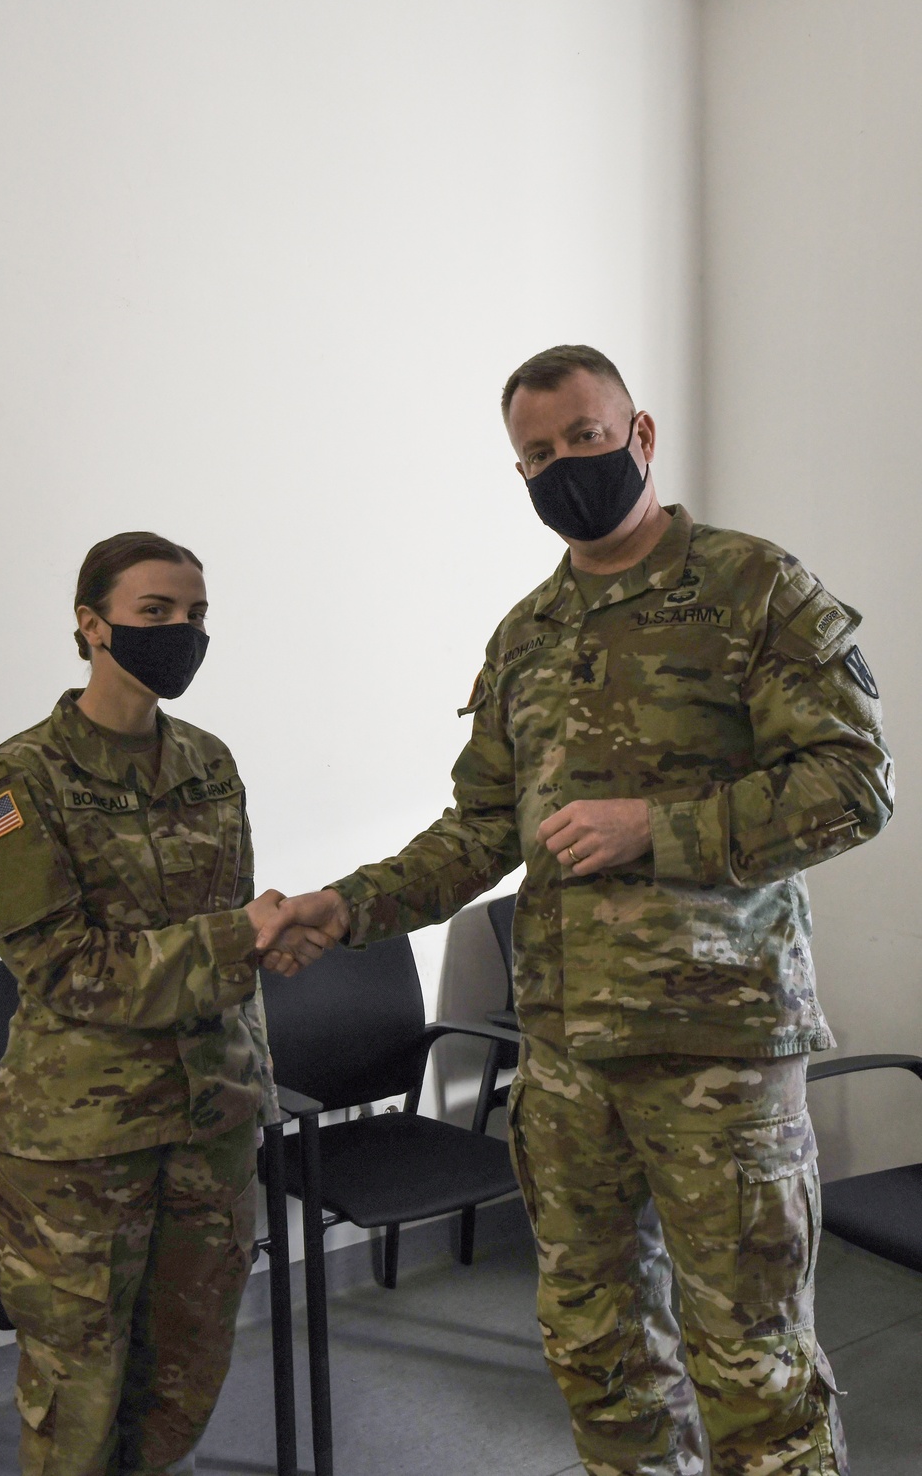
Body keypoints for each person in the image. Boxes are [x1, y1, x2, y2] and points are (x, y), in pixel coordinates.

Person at [255, 346, 894, 1475]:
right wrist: (341, 907)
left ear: (639, 435)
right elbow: (476, 832)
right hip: (564, 1054)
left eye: (583, 440)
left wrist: (658, 825)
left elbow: (851, 786)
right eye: (537, 456)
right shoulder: (529, 633)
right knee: (596, 1349)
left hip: (717, 1051)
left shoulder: (753, 587)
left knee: (751, 1367)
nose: (564, 468)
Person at [0, 531, 328, 1476]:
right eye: (155, 613)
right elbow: (58, 964)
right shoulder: (18, 781)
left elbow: (225, 923)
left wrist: (270, 943)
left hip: (212, 1119)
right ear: (92, 626)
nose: (182, 632)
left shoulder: (210, 762)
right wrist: (233, 940)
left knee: (184, 1380)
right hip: (80, 1148)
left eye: (197, 615)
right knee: (79, 1405)